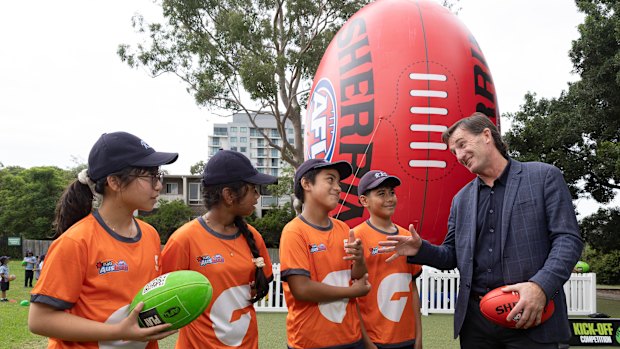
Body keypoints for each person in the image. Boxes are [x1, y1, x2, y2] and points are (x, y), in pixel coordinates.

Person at [380, 112, 583, 348]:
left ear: (487, 135)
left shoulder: (543, 176)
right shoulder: (461, 199)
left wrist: (540, 287)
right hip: (477, 324)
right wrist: (420, 249)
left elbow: (568, 240)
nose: (459, 156)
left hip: (531, 317)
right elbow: (452, 256)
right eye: (453, 152)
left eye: (461, 144)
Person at [28, 131, 179, 348]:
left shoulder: (150, 234)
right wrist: (118, 332)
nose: (158, 185)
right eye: (150, 176)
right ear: (115, 182)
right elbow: (40, 320)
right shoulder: (76, 241)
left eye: (159, 175)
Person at [160, 150, 277, 348]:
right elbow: (164, 301)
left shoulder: (253, 236)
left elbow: (259, 286)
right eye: (252, 189)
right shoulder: (184, 239)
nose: (257, 196)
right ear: (229, 195)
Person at [279, 158, 371, 349]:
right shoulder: (294, 231)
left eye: (339, 182)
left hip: (351, 337)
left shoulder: (343, 228)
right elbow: (301, 289)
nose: (338, 188)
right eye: (330, 180)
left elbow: (354, 274)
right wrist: (352, 292)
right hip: (310, 342)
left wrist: (360, 259)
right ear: (306, 184)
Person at [353, 170, 423, 349]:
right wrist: (367, 342)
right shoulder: (356, 236)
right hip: (374, 339)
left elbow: (412, 288)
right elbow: (353, 296)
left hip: (406, 338)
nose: (390, 198)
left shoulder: (407, 236)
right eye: (381, 194)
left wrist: (418, 336)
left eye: (392, 192)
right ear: (364, 200)